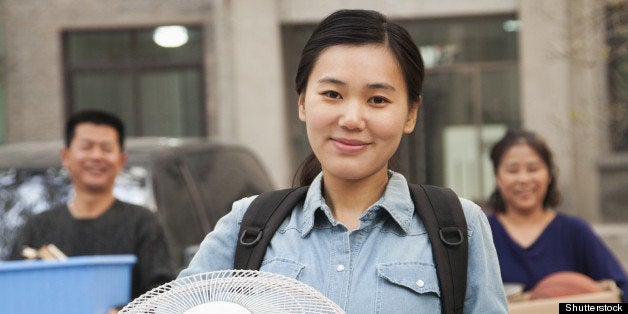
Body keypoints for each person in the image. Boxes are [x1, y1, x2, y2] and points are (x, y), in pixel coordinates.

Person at [179, 9, 507, 313]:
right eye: (332, 94)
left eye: (377, 99)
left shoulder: (460, 226)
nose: (351, 119)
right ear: (303, 102)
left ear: (410, 114)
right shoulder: (246, 225)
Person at [10, 110, 176, 304]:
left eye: (106, 148)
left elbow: (163, 295)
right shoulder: (38, 228)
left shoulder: (143, 223)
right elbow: (14, 291)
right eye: (86, 147)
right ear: (65, 156)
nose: (96, 156)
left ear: (121, 160)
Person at [487, 129, 627, 301]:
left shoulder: (574, 231)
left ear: (549, 175)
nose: (523, 179)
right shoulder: (481, 234)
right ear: (497, 176)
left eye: (533, 169)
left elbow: (622, 292)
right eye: (513, 170)